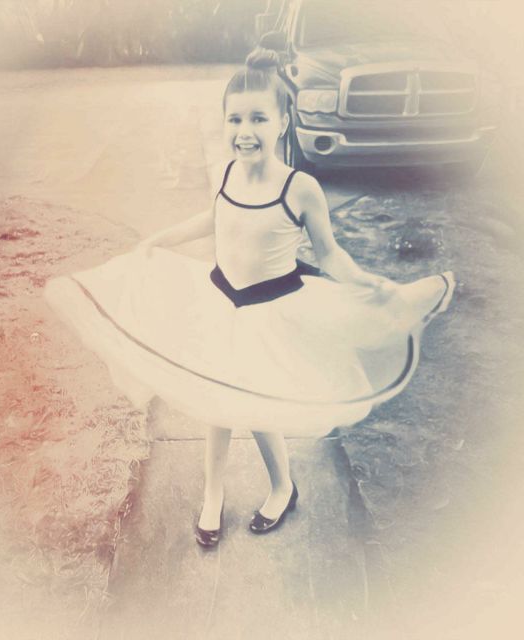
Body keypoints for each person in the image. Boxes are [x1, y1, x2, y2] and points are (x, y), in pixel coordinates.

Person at [44, 48, 455, 549]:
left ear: (283, 122)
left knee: (260, 410)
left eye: (258, 118)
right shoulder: (227, 172)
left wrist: (363, 280)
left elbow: (329, 253)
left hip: (271, 312)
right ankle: (213, 493)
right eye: (235, 118)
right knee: (217, 404)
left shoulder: (299, 188)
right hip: (221, 302)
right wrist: (160, 239)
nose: (245, 130)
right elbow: (213, 218)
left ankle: (282, 488)